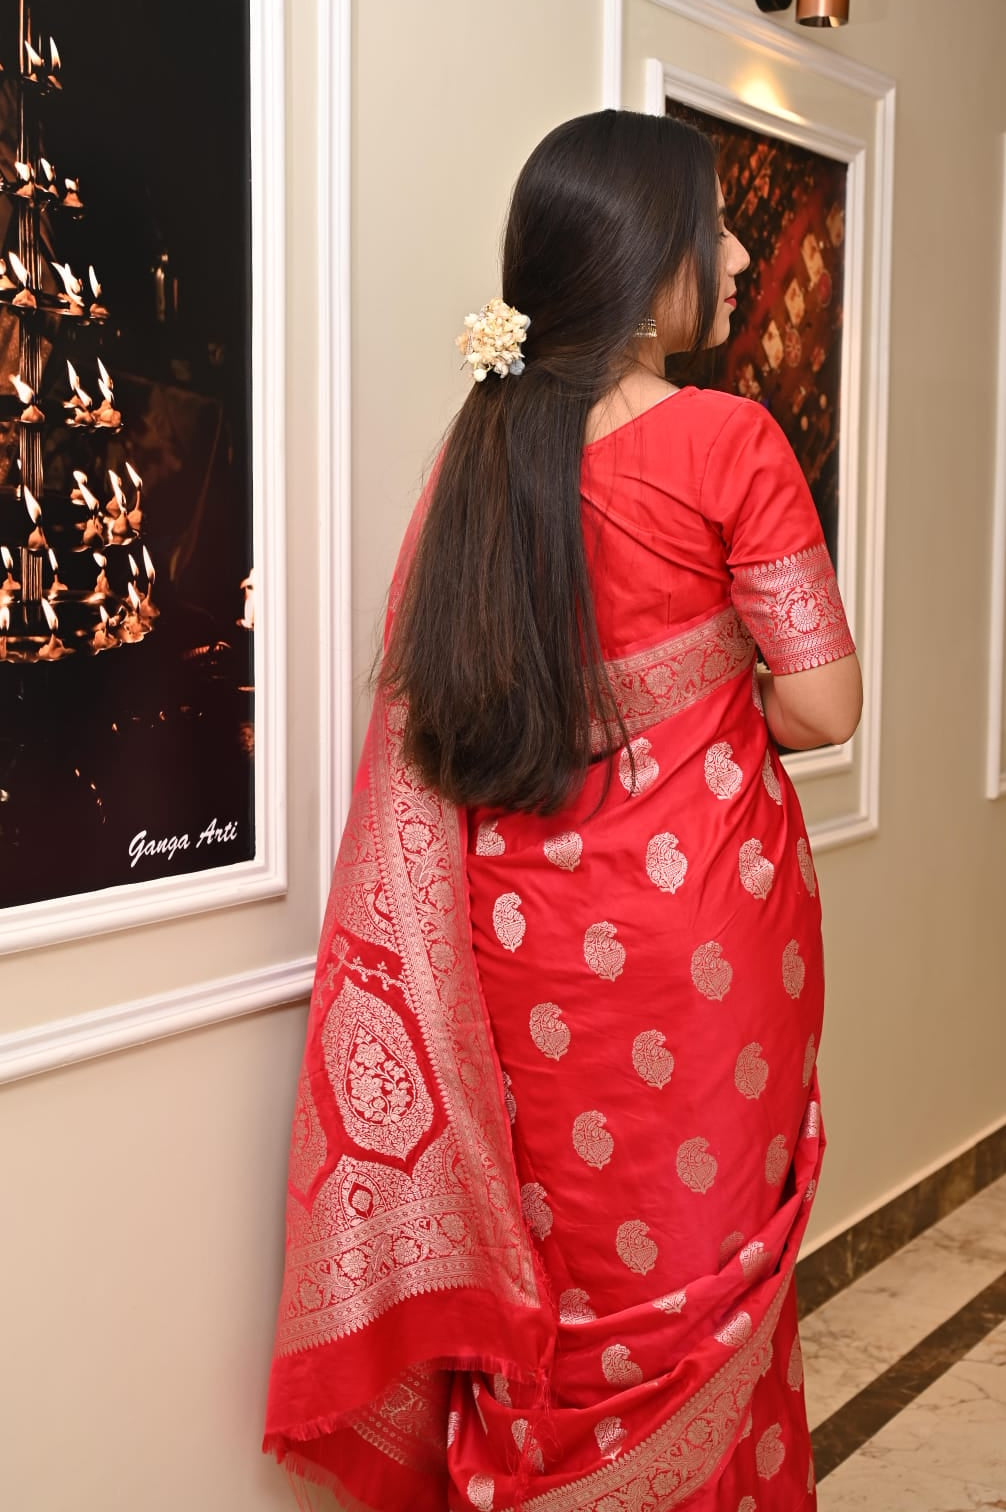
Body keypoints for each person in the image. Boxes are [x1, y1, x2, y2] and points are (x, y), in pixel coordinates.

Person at [262, 108, 862, 1512]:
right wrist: (709, 712)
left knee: (564, 1257)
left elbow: (457, 713)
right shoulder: (726, 440)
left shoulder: (482, 452)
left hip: (518, 940)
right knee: (700, 1258)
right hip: (700, 938)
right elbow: (825, 709)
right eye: (706, 229)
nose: (727, 255)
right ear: (639, 259)